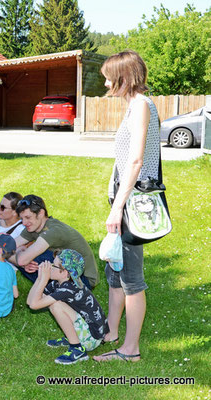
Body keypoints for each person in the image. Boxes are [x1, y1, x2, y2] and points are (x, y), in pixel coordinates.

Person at [93, 50, 161, 363]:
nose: (105, 83)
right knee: (114, 269)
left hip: (132, 204)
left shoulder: (142, 106)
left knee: (131, 278)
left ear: (123, 77)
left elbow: (135, 161)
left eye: (109, 76)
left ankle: (130, 350)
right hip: (123, 199)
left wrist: (117, 207)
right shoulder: (132, 105)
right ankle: (110, 331)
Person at [26, 249, 109, 365]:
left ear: (65, 273)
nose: (49, 266)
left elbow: (35, 305)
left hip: (92, 338)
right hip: (87, 330)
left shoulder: (69, 288)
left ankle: (77, 348)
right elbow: (30, 302)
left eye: (53, 265)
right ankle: (73, 336)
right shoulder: (58, 283)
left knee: (56, 305)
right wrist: (40, 278)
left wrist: (44, 280)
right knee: (55, 303)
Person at [9, 194, 98, 290]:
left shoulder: (53, 231)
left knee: (35, 257)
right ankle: (49, 293)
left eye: (28, 217)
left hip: (83, 279)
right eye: (22, 219)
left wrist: (19, 252)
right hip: (64, 270)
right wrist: (22, 258)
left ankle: (55, 295)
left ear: (41, 213)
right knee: (30, 256)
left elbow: (20, 259)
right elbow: (5, 248)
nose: (24, 223)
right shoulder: (33, 227)